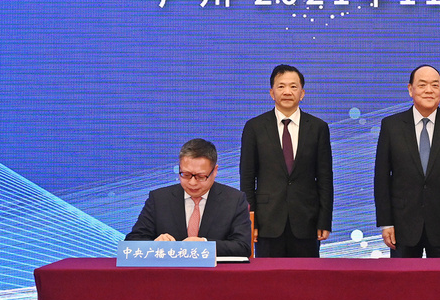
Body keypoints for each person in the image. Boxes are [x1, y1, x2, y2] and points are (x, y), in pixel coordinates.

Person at [374, 65, 440, 258]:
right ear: (410, 89)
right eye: (422, 85)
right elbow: (382, 178)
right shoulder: (391, 126)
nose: (429, 90)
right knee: (402, 277)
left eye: (435, 85)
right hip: (402, 225)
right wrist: (386, 222)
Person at [240, 64, 334, 257]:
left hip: (307, 221)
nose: (287, 92)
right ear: (272, 93)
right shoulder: (254, 127)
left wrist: (324, 220)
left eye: (293, 86)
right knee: (268, 276)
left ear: (302, 93)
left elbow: (325, 178)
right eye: (281, 86)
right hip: (267, 222)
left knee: (306, 275)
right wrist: (250, 221)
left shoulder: (318, 128)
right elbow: (247, 178)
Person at [126, 138, 252, 258]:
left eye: (200, 176)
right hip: (170, 271)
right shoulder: (159, 199)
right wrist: (155, 244)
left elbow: (243, 246)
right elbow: (132, 242)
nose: (192, 183)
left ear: (215, 171)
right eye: (185, 175)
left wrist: (205, 245)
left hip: (215, 272)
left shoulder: (234, 200)